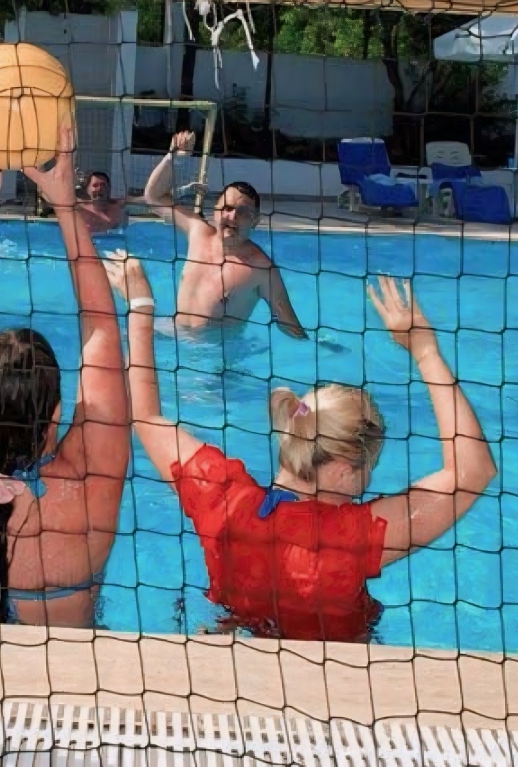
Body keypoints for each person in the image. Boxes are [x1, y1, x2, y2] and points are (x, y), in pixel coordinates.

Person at [105, 259, 497, 642]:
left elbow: (146, 417)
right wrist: (426, 351)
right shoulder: (351, 538)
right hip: (337, 670)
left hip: (235, 643)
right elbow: (472, 472)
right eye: (369, 466)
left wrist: (141, 305)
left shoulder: (222, 497)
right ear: (343, 471)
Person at [0, 126, 130, 627]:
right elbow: (101, 328)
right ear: (56, 413)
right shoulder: (90, 481)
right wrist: (65, 205)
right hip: (67, 670)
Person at [141, 130, 306, 339]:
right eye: (227, 208)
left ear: (255, 221)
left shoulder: (261, 268)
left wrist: (319, 345)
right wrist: (175, 158)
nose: (232, 217)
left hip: (214, 352)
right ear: (215, 210)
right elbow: (153, 197)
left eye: (243, 212)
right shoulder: (197, 231)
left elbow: (288, 322)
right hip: (172, 331)